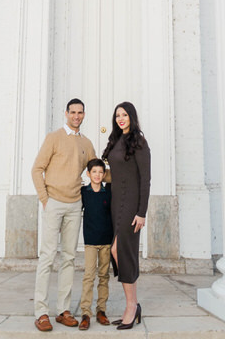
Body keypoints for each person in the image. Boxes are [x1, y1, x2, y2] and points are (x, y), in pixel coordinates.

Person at [32, 98, 97, 332]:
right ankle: (41, 312)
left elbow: (96, 170)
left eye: (80, 112)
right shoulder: (54, 138)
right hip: (54, 203)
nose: (76, 116)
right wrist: (45, 200)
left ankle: (63, 310)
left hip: (74, 205)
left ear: (84, 114)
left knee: (69, 258)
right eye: (73, 112)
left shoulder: (87, 143)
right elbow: (37, 168)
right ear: (66, 113)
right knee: (47, 257)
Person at [101, 102, 150, 330]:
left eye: (125, 115)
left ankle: (132, 307)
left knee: (120, 251)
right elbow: (116, 173)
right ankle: (132, 305)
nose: (121, 118)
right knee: (119, 252)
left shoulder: (139, 141)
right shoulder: (116, 140)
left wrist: (142, 212)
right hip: (115, 203)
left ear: (132, 116)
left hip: (131, 205)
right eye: (118, 115)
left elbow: (145, 179)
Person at [77, 159, 113, 329]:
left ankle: (101, 310)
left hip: (106, 240)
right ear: (88, 174)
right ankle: (86, 313)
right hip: (91, 241)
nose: (97, 175)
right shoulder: (84, 192)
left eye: (101, 172)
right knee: (89, 276)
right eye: (94, 172)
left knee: (104, 276)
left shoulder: (109, 192)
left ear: (104, 175)